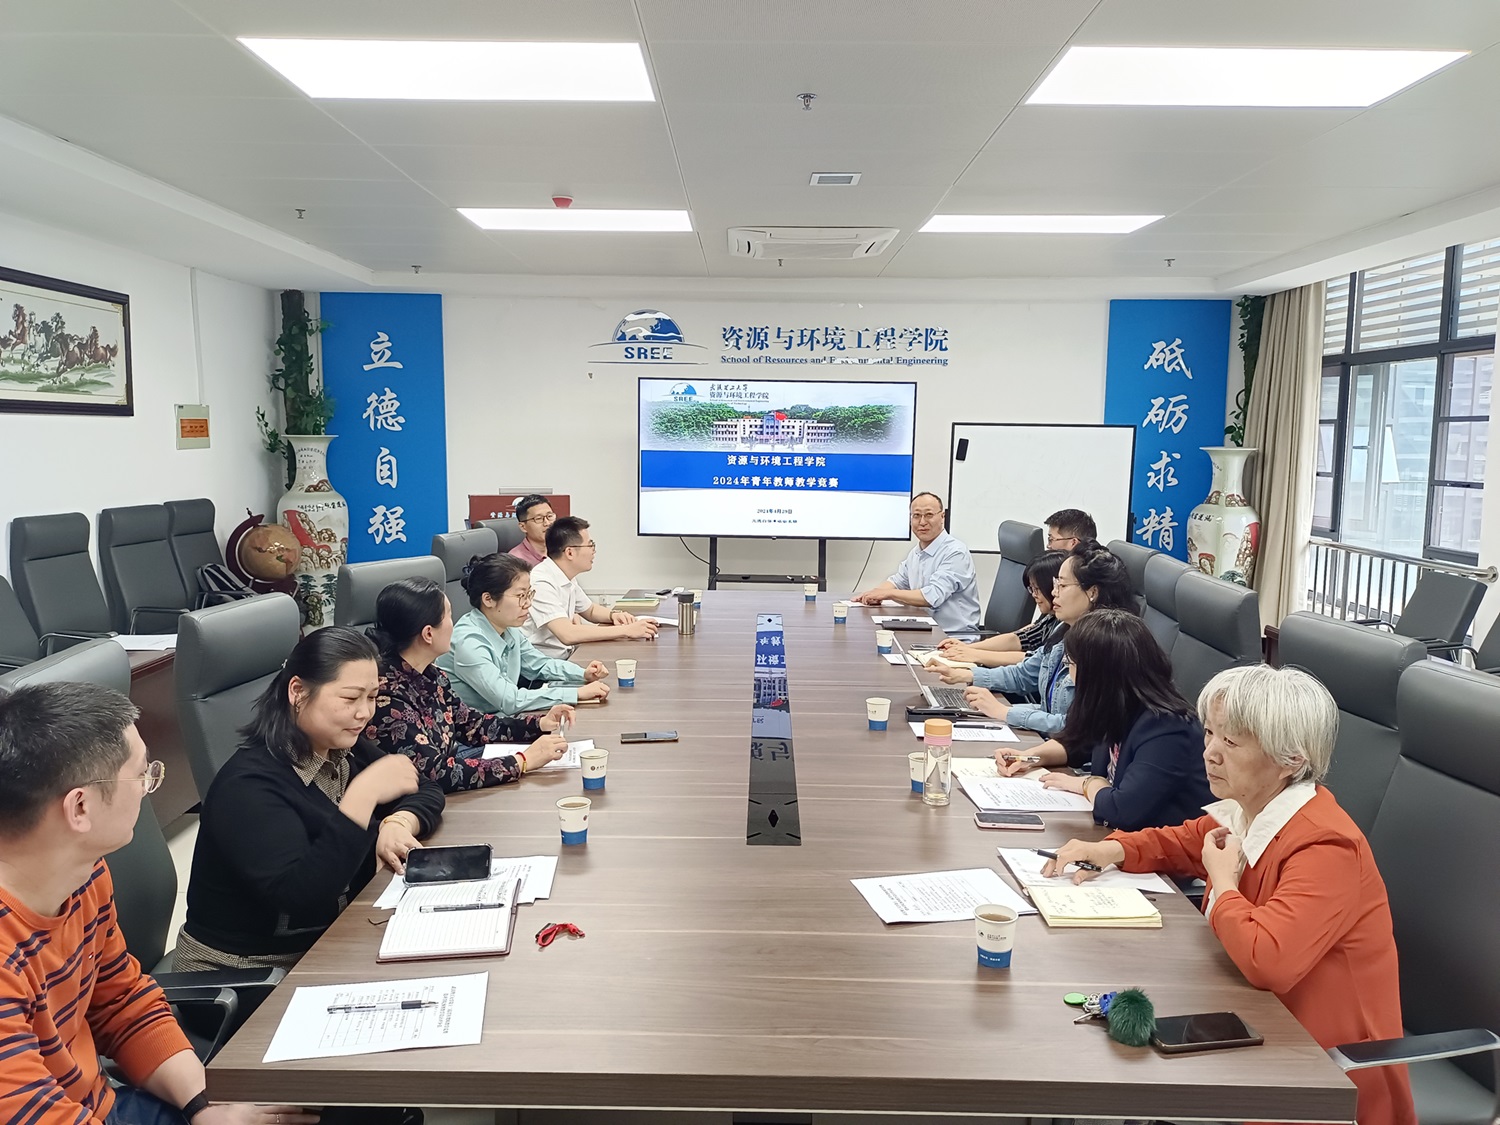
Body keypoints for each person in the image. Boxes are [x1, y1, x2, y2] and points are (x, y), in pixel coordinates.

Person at [1044, 665, 1415, 1125]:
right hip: (1247, 1022)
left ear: (1290, 760)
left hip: (1321, 1073)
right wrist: (1111, 849)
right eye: (1210, 733)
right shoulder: (1249, 807)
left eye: (1232, 742)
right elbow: (1184, 841)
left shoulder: (1327, 845)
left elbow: (1268, 959)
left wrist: (1222, 884)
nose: (1210, 753)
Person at [0, 682, 309, 1125]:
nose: (149, 788)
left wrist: (207, 1106)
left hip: (100, 1104)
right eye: (142, 775)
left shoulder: (82, 874)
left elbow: (121, 1002)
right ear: (79, 807)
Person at [175, 628, 444, 975]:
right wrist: (361, 798)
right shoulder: (248, 786)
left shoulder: (340, 748)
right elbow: (302, 897)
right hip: (247, 973)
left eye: (372, 697)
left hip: (326, 943)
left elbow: (425, 789)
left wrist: (397, 822)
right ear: (298, 692)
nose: (364, 713)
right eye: (350, 698)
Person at [366, 576, 570, 791]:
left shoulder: (431, 675)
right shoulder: (386, 695)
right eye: (449, 616)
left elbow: (473, 726)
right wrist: (522, 761)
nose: (454, 625)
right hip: (417, 800)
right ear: (428, 633)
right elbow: (435, 774)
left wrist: (538, 724)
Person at [938, 542, 1135, 748]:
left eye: (1062, 585)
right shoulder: (1063, 631)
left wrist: (1004, 712)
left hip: (1073, 758)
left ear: (1092, 592)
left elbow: (1075, 727)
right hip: (1050, 745)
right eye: (1055, 584)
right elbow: (1024, 675)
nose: (1054, 592)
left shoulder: (1106, 648)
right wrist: (968, 675)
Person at [1033, 609, 1212, 831]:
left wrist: (1088, 784)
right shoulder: (1117, 706)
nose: (1070, 674)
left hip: (1167, 850)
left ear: (1098, 674)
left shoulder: (1166, 728)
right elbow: (1078, 745)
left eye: (1071, 663)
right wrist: (1031, 757)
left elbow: (1123, 811)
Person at [438, 552, 612, 714]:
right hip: (473, 731)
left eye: (529, 594)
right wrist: (576, 693)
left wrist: (582, 674)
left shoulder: (508, 628)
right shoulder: (469, 642)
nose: (528, 603)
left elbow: (540, 665)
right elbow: (509, 700)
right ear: (488, 599)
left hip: (501, 721)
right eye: (521, 596)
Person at [525, 516, 658, 658]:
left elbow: (590, 610)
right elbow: (567, 634)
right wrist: (627, 630)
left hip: (566, 657)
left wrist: (614, 615)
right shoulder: (540, 582)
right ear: (570, 552)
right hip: (543, 665)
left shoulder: (565, 575)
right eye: (590, 545)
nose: (593, 551)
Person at [851, 492, 981, 634]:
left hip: (954, 637)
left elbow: (932, 596)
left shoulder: (955, 552)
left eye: (929, 515)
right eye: (917, 515)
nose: (922, 522)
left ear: (942, 516)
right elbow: (898, 581)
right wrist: (873, 594)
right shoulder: (916, 552)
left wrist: (887, 594)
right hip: (925, 631)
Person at [935, 550, 1066, 668]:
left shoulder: (1068, 624)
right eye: (1031, 589)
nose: (1034, 595)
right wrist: (967, 648)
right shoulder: (1051, 618)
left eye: (1037, 589)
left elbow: (1034, 660)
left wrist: (974, 654)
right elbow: (1018, 639)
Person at [508, 493, 554, 567]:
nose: (547, 523)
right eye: (538, 519)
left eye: (549, 516)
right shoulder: (515, 561)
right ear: (523, 527)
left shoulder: (562, 550)